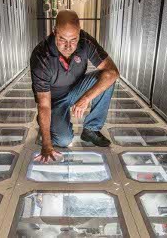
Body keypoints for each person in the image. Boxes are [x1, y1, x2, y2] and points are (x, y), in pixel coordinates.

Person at [30, 10, 119, 163]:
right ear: (54, 32)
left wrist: (86, 98)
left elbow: (113, 72)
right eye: (62, 39)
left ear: (79, 33)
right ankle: (46, 123)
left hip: (76, 90)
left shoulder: (85, 41)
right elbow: (44, 104)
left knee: (107, 78)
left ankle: (91, 130)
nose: (68, 46)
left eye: (74, 39)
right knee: (64, 140)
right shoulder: (41, 57)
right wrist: (46, 143)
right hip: (53, 101)